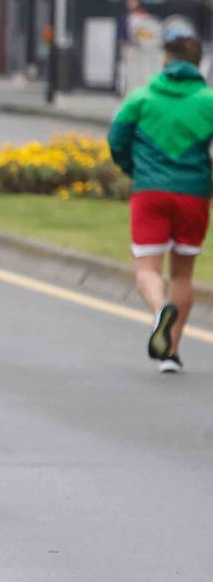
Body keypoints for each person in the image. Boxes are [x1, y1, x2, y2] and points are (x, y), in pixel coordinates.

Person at [108, 19, 213, 374]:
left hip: (150, 192)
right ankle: (171, 352)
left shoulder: (141, 97)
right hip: (194, 196)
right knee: (183, 275)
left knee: (147, 269)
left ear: (165, 59)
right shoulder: (209, 101)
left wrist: (133, 169)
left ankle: (159, 311)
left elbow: (117, 141)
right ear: (199, 63)